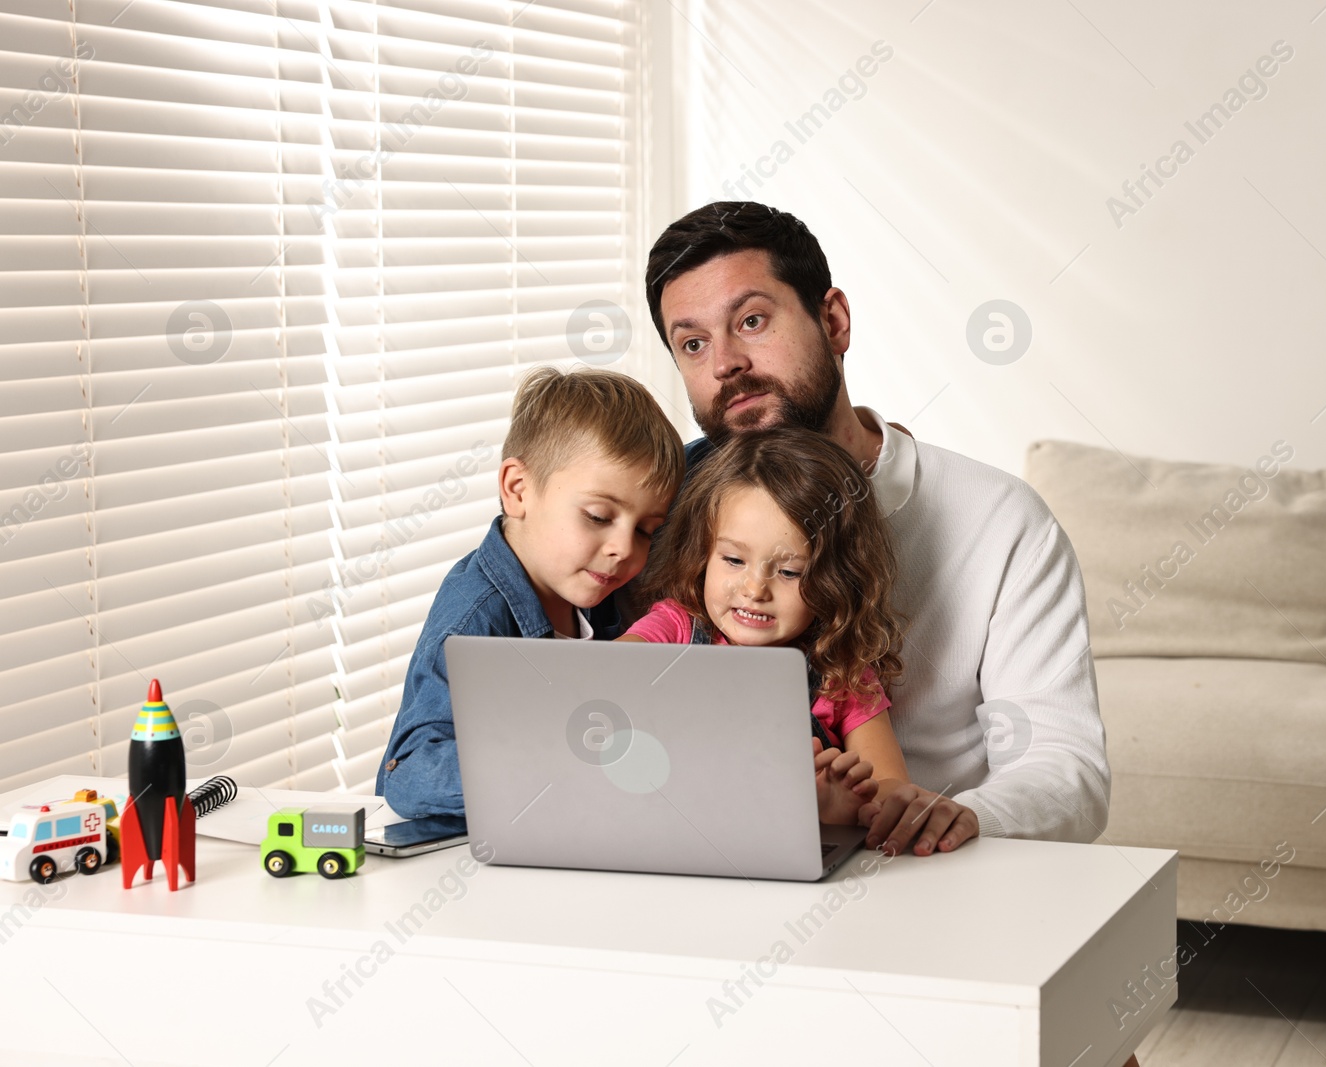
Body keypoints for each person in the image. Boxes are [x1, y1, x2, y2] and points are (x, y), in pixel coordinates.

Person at [645, 201, 1111, 859]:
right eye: (693, 343)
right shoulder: (664, 507)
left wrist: (940, 816)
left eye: (752, 321)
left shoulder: (1001, 519)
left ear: (833, 320)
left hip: (925, 873)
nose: (725, 363)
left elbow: (1070, 773)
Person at [375, 366, 684, 818]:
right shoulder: (474, 618)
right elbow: (408, 773)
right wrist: (554, 763)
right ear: (518, 490)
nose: (623, 549)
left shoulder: (590, 587)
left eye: (646, 531)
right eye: (599, 516)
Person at [618, 426, 909, 826]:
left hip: (786, 848)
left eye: (789, 572)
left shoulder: (843, 674)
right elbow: (608, 673)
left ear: (834, 580)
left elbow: (892, 789)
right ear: (703, 553)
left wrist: (848, 805)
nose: (754, 589)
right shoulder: (675, 626)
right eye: (734, 561)